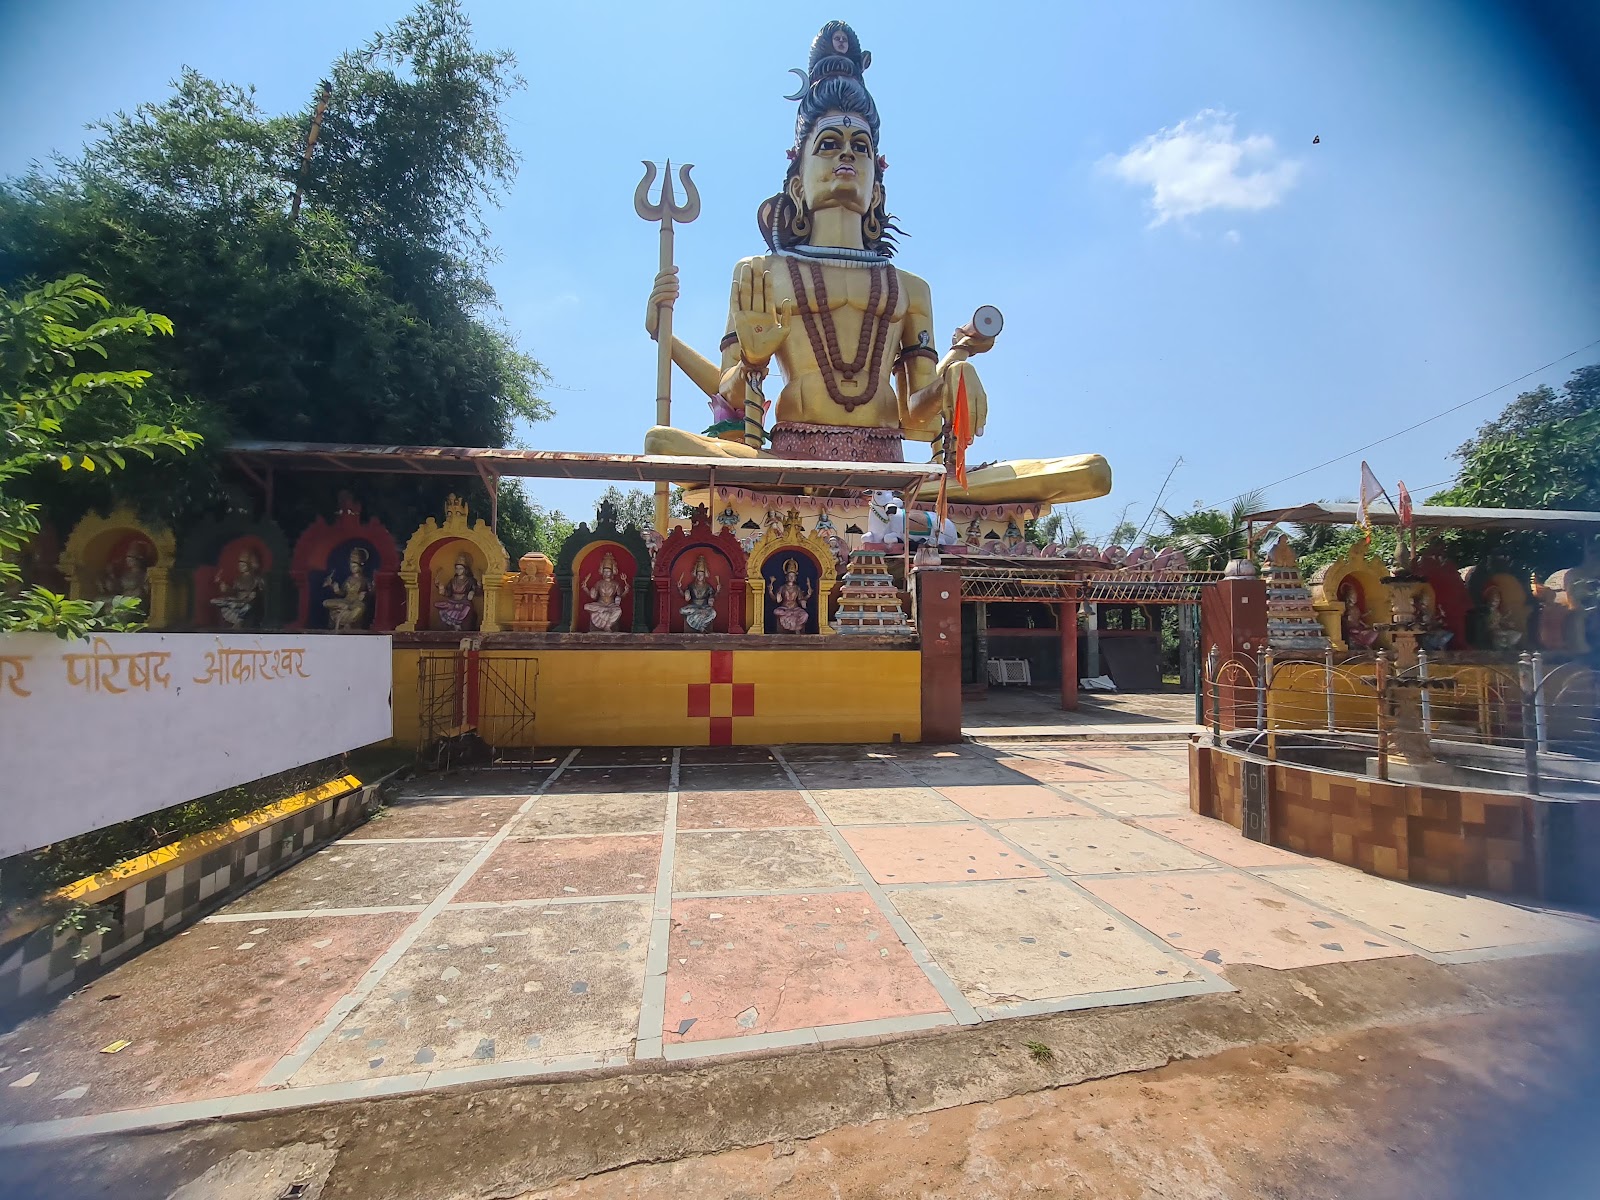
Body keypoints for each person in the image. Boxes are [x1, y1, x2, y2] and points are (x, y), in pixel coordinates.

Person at [639, 21, 1109, 506]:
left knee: (1091, 473)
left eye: (860, 147)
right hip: (790, 461)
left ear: (876, 188)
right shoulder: (761, 273)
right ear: (797, 184)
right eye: (829, 144)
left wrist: (953, 377)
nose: (846, 154)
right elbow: (732, 398)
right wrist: (749, 361)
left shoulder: (909, 288)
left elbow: (916, 416)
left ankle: (891, 499)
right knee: (663, 444)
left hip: (892, 471)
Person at [324, 548, 373, 631]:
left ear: (360, 566)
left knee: (361, 608)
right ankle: (344, 608)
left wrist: (366, 594)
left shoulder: (365, 580)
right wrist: (336, 589)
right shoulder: (348, 579)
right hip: (346, 601)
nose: (352, 568)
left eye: (354, 566)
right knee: (326, 602)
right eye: (351, 566)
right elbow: (343, 593)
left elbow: (371, 592)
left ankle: (347, 621)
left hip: (356, 603)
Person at [212, 551, 265, 628]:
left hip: (250, 605)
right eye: (239, 563)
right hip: (238, 602)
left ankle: (240, 620)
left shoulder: (257, 579)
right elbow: (234, 592)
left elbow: (262, 594)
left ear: (249, 564)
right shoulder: (238, 579)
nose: (240, 566)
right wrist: (226, 589)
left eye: (243, 564)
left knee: (247, 608)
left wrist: (254, 595)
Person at [581, 551, 628, 632]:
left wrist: (626, 591)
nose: (606, 573)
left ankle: (608, 625)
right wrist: (586, 589)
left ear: (612, 572)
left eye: (608, 571)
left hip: (611, 605)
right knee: (586, 606)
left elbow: (620, 597)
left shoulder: (615, 584)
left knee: (618, 610)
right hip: (600, 604)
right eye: (605, 571)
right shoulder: (599, 583)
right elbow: (593, 596)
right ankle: (604, 609)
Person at [434, 553, 479, 631]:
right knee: (439, 605)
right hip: (452, 601)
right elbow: (448, 593)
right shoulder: (452, 580)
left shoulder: (470, 581)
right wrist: (441, 588)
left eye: (461, 568)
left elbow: (476, 590)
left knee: (466, 609)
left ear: (465, 569)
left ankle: (458, 624)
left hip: (464, 602)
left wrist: (473, 591)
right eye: (457, 568)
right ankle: (453, 625)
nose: (458, 570)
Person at [769, 556, 814, 633]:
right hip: (785, 609)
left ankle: (797, 627)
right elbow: (776, 600)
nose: (791, 577)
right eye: (790, 576)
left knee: (805, 615)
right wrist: (770, 592)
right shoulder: (782, 587)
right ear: (786, 577)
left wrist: (808, 595)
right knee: (776, 611)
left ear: (795, 577)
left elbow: (801, 600)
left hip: (795, 609)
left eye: (793, 576)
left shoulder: (797, 588)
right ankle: (790, 623)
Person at [678, 554, 720, 633]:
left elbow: (713, 596)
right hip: (694, 606)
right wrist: (679, 588)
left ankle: (700, 625)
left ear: (704, 576)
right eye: (698, 575)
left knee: (713, 613)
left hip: (704, 607)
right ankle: (701, 624)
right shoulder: (691, 585)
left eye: (701, 575)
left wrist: (717, 591)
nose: (699, 577)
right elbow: (685, 596)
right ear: (696, 575)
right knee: (682, 610)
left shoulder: (708, 586)